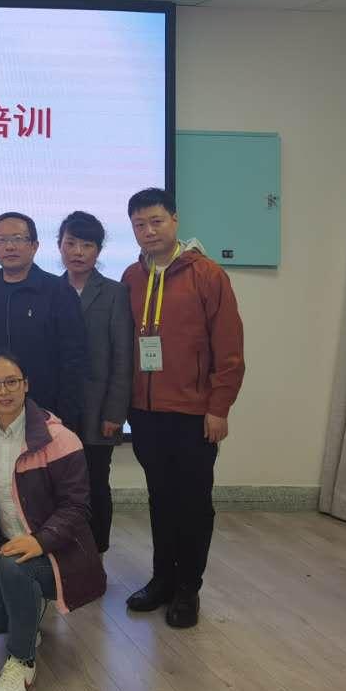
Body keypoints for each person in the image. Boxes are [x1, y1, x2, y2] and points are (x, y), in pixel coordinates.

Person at [121, 187, 245, 629]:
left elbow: (229, 350)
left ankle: (188, 588)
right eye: (139, 224)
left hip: (194, 414)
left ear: (174, 220)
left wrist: (219, 408)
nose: (148, 231)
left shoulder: (207, 275)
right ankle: (162, 580)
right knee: (160, 499)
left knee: (193, 503)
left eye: (156, 221)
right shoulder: (131, 276)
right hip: (145, 412)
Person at [0, 351, 107, 691]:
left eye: (11, 381)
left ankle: (21, 659)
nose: (3, 391)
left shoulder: (59, 438)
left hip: (58, 550)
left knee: (16, 567)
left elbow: (77, 507)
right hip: (7, 545)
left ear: (26, 384)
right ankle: (27, 616)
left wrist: (40, 541)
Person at [57, 211, 134, 553]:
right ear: (59, 245)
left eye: (87, 245)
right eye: (71, 243)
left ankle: (96, 551)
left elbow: (123, 358)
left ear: (98, 250)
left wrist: (115, 413)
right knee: (58, 483)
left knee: (95, 482)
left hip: (98, 409)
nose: (78, 252)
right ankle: (63, 550)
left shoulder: (115, 293)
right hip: (58, 408)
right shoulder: (50, 288)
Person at [0, 212, 88, 430]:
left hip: (48, 411)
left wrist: (66, 415)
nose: (10, 247)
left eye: (18, 239)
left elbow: (74, 358)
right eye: (1, 240)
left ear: (34, 246)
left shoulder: (58, 291)